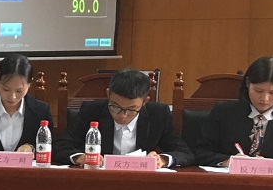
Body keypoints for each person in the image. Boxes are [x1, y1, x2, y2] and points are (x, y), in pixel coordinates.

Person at [60, 69, 192, 168]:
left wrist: (162, 159)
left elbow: (184, 153)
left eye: (131, 109)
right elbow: (61, 146)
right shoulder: (91, 111)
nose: (122, 115)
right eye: (115, 107)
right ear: (108, 94)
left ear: (144, 102)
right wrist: (80, 157)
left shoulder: (158, 114)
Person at [192, 56, 273, 167]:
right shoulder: (223, 112)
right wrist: (228, 161)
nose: (265, 99)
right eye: (258, 91)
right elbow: (200, 152)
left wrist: (270, 165)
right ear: (247, 83)